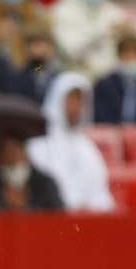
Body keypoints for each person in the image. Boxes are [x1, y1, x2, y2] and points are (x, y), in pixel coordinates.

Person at [28, 72, 114, 211]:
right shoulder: (38, 145)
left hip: (86, 224)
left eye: (80, 100)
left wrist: (90, 208)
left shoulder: (88, 148)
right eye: (70, 99)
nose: (76, 107)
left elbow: (100, 192)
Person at [51, 0, 129, 80]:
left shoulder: (114, 12)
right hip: (77, 74)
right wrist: (105, 31)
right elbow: (72, 51)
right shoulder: (62, 11)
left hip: (111, 78)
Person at [0, 135, 64, 211]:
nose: (11, 157)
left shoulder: (44, 184)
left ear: (24, 152)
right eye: (6, 152)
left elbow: (58, 215)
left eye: (15, 151)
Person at [92, 34, 136, 124]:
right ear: (119, 55)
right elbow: (100, 117)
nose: (130, 57)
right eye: (126, 52)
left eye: (135, 53)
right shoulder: (104, 84)